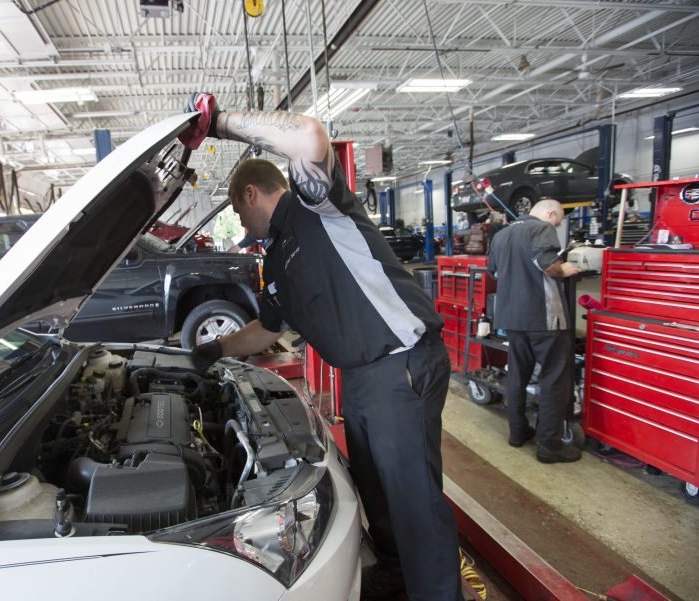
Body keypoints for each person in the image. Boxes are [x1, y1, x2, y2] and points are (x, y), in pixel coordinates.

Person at [180, 93, 462, 601]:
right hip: (361, 376)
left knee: (412, 499)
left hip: (399, 364)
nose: (243, 231)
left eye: (241, 218)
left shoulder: (317, 206)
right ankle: (399, 574)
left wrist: (219, 124)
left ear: (250, 195)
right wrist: (213, 351)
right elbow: (267, 330)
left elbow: (309, 135)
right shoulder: (278, 255)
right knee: (376, 490)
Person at [487, 199, 582, 463]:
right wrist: (562, 269)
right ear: (550, 213)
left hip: (512, 319)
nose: (557, 225)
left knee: (518, 374)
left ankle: (518, 432)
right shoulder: (541, 229)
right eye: (558, 221)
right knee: (554, 379)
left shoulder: (502, 234)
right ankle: (550, 446)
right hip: (544, 319)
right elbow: (546, 262)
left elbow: (493, 271)